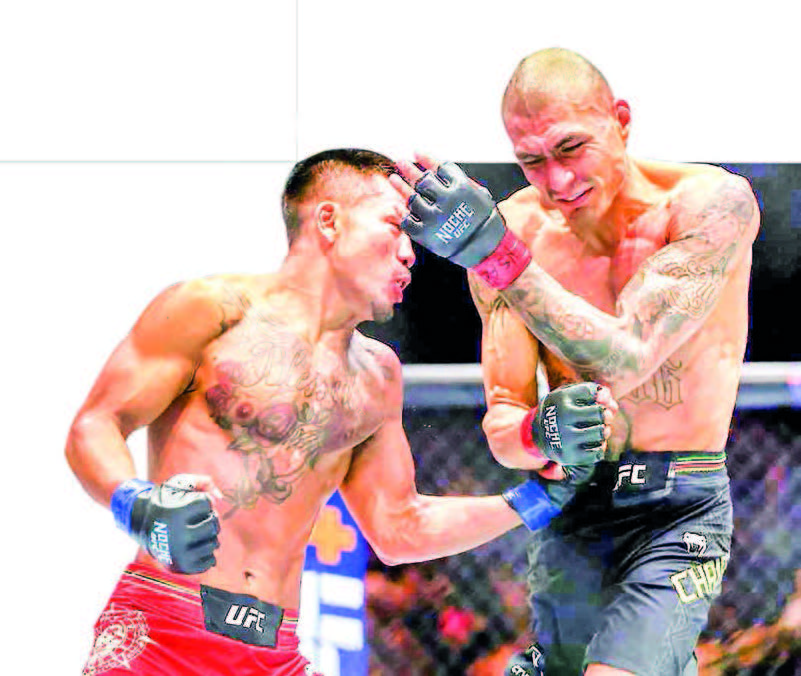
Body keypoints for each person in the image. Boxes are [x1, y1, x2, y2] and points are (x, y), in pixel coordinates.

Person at [66, 148, 617, 676]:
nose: (410, 254)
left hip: (276, 652)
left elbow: (399, 527)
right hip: (163, 633)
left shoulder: (377, 375)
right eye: (394, 226)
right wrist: (135, 503)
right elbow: (96, 423)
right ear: (328, 221)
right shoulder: (211, 310)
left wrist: (536, 499)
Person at [390, 47, 760, 676]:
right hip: (573, 506)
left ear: (621, 120)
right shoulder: (517, 228)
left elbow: (628, 356)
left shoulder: (709, 206)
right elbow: (503, 428)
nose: (557, 180)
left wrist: (497, 255)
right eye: (531, 160)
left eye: (571, 148)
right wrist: (539, 433)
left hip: (680, 508)